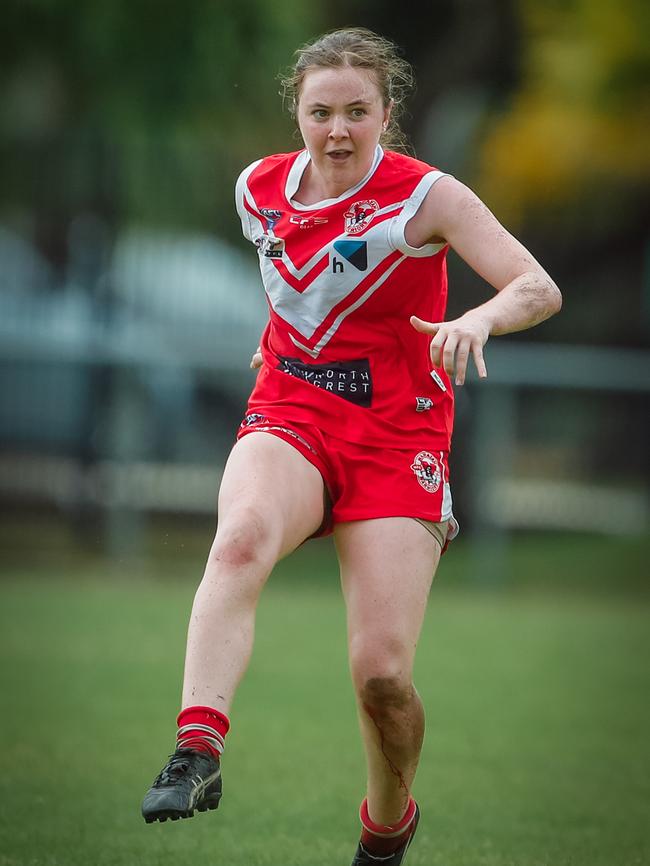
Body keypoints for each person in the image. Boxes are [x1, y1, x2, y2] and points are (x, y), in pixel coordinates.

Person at [141, 27, 561, 865]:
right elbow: (299, 286)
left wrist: (477, 317)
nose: (338, 130)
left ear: (386, 114)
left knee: (382, 675)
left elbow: (536, 285)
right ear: (296, 112)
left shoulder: (426, 196)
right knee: (240, 538)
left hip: (400, 437)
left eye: (357, 112)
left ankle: (387, 824)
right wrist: (279, 342)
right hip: (292, 413)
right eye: (321, 111)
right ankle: (198, 745)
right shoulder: (258, 189)